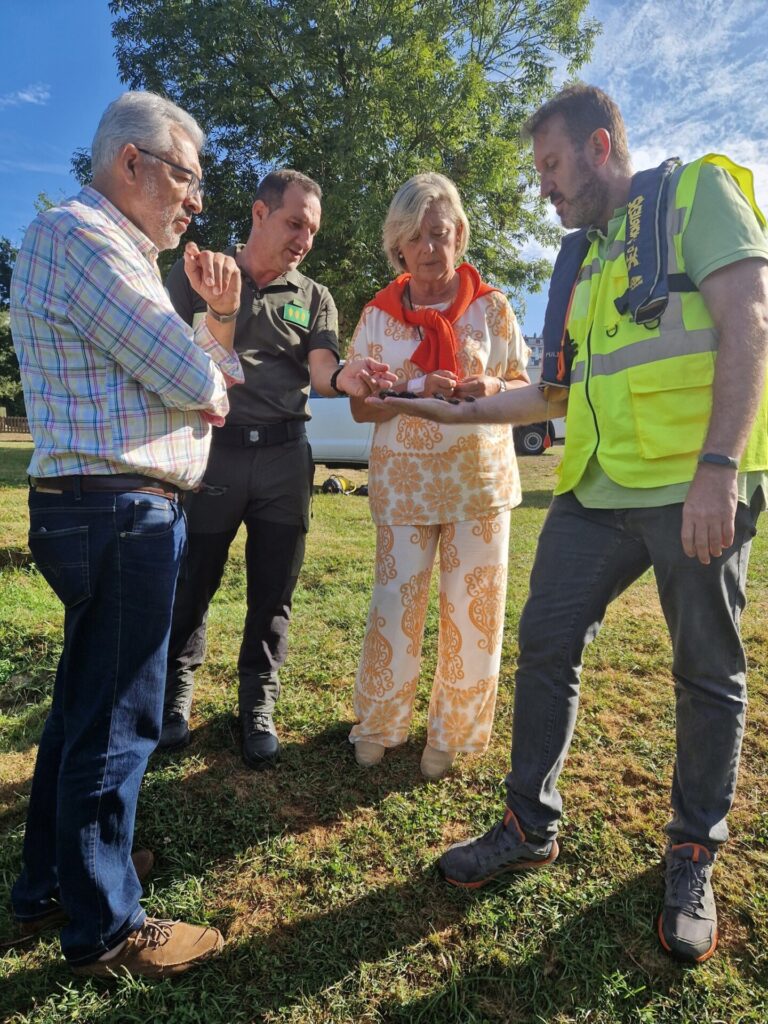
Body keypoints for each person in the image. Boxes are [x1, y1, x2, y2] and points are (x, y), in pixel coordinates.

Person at [373, 86, 768, 962]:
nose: (544, 187)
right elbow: (549, 394)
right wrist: (454, 414)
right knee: (545, 640)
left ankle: (693, 848)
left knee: (706, 672)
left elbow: (749, 317)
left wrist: (719, 469)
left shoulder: (695, 194)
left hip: (690, 485)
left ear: (598, 146)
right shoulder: (578, 260)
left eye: (551, 166)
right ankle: (529, 821)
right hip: (594, 488)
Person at [8, 92, 247, 977]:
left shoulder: (108, 251)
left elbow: (196, 373)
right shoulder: (84, 237)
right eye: (186, 176)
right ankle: (105, 926)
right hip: (118, 511)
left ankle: (54, 883)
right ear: (131, 164)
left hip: (106, 504)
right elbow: (197, 377)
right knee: (117, 722)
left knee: (81, 713)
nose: (194, 202)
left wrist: (206, 353)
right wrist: (207, 356)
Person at [158, 169, 395, 768]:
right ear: (260, 214)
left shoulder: (313, 295)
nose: (304, 239)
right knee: (194, 580)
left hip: (286, 458)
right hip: (215, 450)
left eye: (312, 230)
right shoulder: (202, 273)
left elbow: (321, 371)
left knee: (274, 590)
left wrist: (346, 377)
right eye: (295, 223)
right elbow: (161, 350)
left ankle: (256, 703)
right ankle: (172, 696)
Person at [347, 172, 530, 780]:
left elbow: (526, 388)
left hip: (478, 481)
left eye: (441, 234)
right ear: (399, 244)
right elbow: (358, 405)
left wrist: (492, 386)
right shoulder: (376, 316)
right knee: (393, 607)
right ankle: (380, 723)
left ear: (460, 239)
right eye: (416, 236)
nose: (429, 248)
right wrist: (400, 389)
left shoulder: (493, 309)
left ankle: (453, 736)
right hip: (403, 483)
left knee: (473, 611)